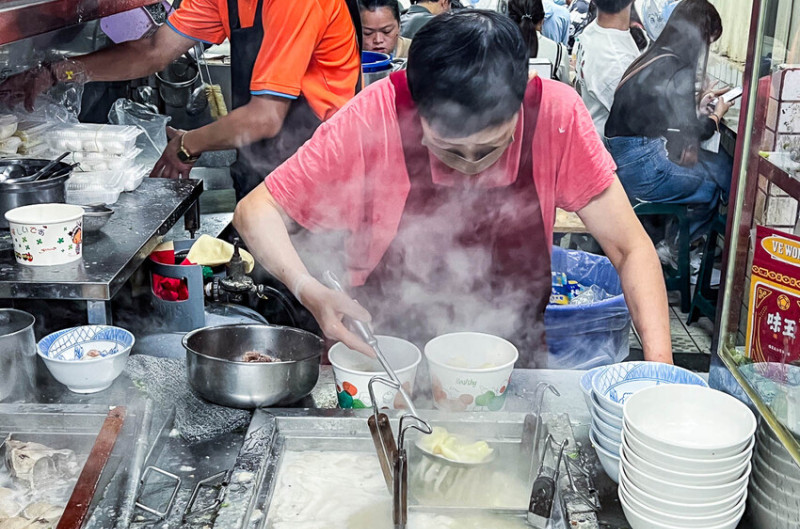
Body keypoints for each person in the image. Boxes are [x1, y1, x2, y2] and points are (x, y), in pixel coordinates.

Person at [232, 10, 672, 368]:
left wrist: (660, 374)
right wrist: (310, 291)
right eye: (449, 150)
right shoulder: (375, 115)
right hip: (387, 362)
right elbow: (256, 211)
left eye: (490, 149)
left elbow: (631, 249)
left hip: (511, 365)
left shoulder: (557, 115)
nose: (471, 165)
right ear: (417, 108)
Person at [0, 0, 361, 199]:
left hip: (324, 172)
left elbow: (265, 116)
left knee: (314, 297)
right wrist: (54, 73)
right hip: (263, 167)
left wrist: (188, 145)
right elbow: (153, 52)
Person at [605, 0, 732, 242]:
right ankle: (677, 250)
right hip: (642, 166)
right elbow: (695, 131)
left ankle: (673, 242)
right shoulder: (677, 66)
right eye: (708, 41)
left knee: (708, 170)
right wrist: (717, 114)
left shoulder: (655, 55)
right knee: (711, 186)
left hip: (622, 159)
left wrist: (698, 105)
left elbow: (665, 116)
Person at [574, 0, 640, 137]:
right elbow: (636, 124)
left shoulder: (593, 29)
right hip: (611, 146)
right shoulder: (616, 62)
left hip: (591, 131)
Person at [508, 0, 570, 82]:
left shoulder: (497, 49)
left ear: (510, 19)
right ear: (542, 21)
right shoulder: (559, 52)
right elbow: (565, 87)